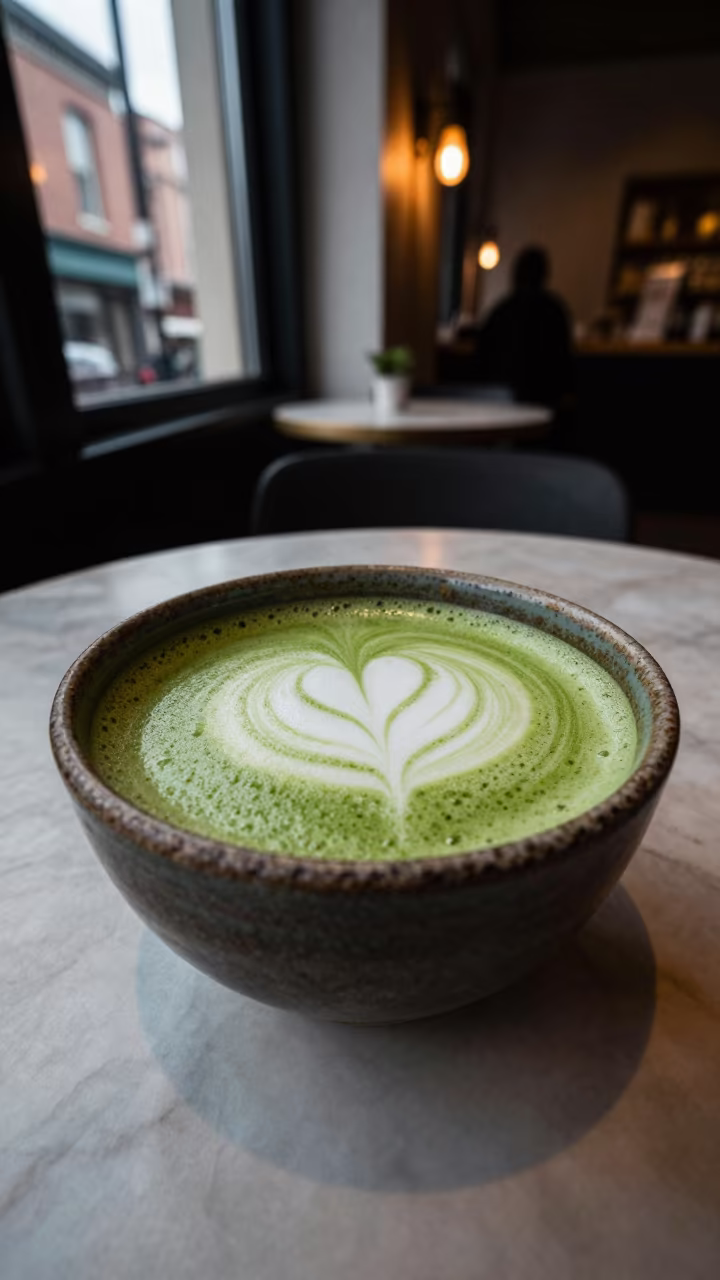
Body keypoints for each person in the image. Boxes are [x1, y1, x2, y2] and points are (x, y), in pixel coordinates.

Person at [476, 246, 574, 408]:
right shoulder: (555, 312)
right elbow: (565, 365)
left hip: (500, 398)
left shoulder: (501, 312)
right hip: (545, 400)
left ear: (516, 274)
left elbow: (481, 361)